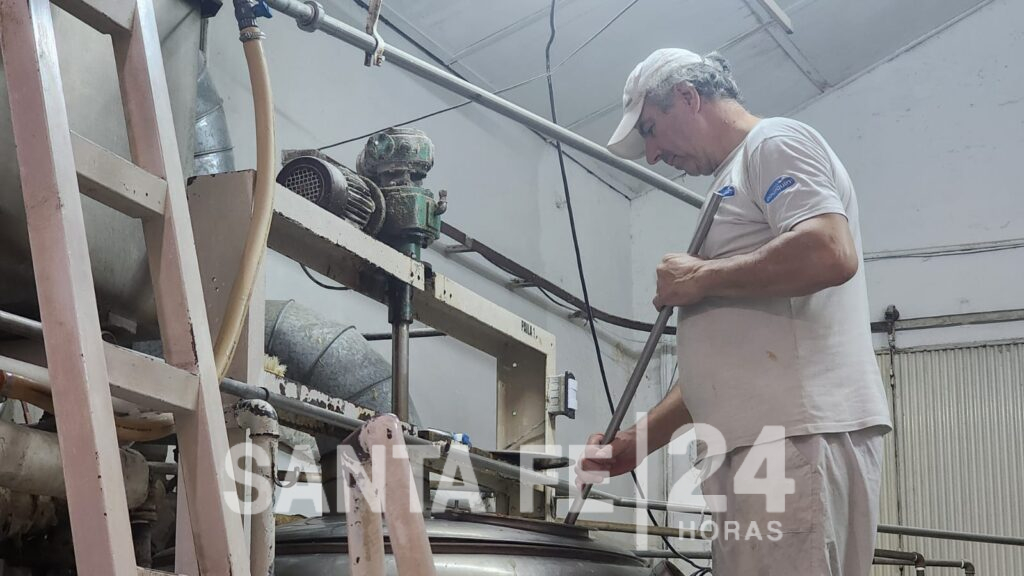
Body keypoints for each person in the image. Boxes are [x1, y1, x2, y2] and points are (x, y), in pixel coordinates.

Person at [576, 48, 892, 576]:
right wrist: (636, 444)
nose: (652, 155)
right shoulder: (735, 178)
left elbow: (829, 250)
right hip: (764, 444)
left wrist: (700, 278)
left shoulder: (773, 143)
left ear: (688, 97)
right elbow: (723, 368)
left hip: (793, 438)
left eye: (651, 130)